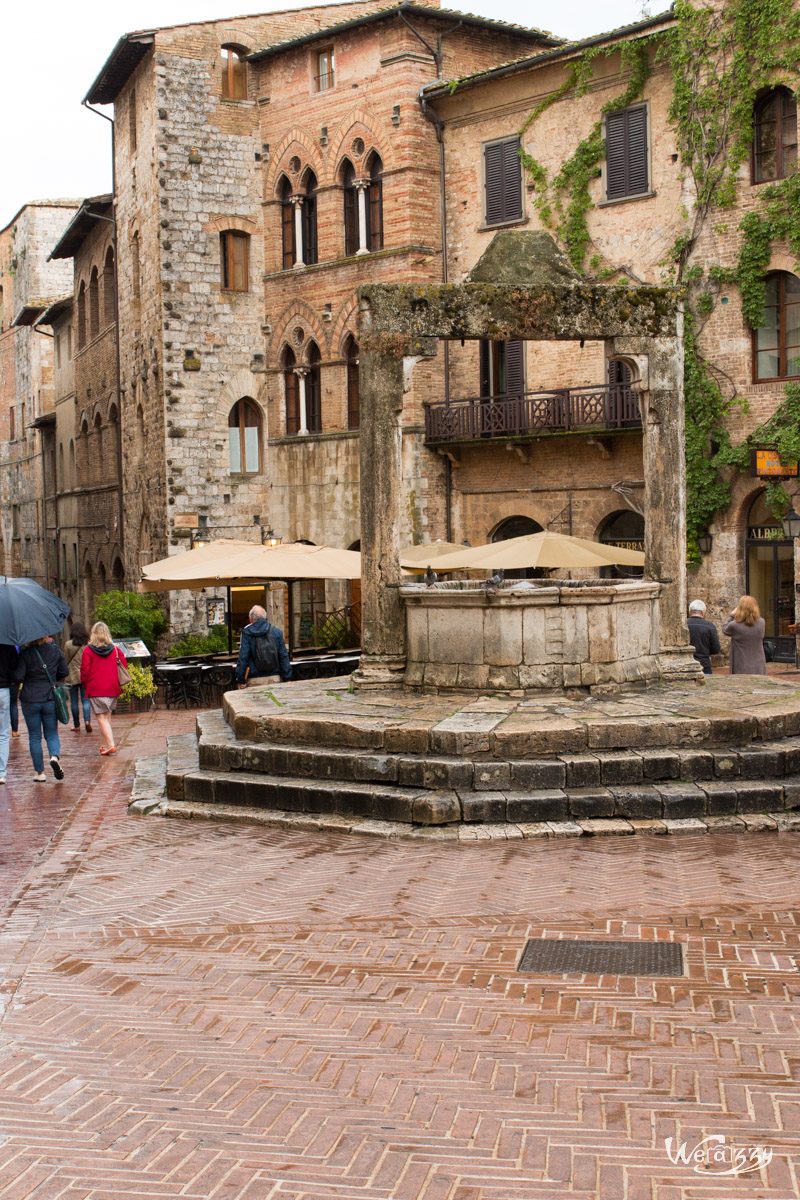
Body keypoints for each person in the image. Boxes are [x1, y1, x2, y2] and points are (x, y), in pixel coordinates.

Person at [14, 636, 68, 781]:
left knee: (34, 736)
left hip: (30, 699)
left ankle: (40, 773)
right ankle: (54, 757)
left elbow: (19, 675)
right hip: (49, 697)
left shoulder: (25, 652)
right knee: (51, 733)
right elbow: (64, 672)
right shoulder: (54, 650)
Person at [80, 621, 128, 754]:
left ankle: (111, 745)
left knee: (101, 718)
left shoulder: (88, 650)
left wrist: (85, 684)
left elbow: (84, 670)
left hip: (96, 688)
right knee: (106, 717)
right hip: (112, 688)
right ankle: (103, 745)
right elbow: (124, 664)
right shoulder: (115, 649)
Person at [236, 605, 292, 688]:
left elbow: (243, 656)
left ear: (251, 618)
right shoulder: (277, 632)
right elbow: (283, 656)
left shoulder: (246, 633)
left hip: (254, 680)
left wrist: (241, 679)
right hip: (275, 678)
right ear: (265, 617)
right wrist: (287, 678)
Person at [722, 595, 767, 675]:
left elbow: (725, 629)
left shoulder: (735, 625)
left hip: (741, 664)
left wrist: (731, 615)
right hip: (758, 664)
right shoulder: (762, 623)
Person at [65, 621, 92, 732]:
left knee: (74, 701)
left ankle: (76, 725)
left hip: (72, 675)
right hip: (85, 674)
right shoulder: (88, 644)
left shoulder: (68, 644)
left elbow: (66, 660)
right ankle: (87, 721)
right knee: (85, 700)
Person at [0, 644, 19, 784]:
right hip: (3, 690)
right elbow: (15, 671)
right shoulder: (8, 646)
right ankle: (1, 772)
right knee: (3, 733)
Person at [687, 599, 721, 675]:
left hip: (686, 664)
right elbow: (716, 649)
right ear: (704, 612)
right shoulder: (710, 626)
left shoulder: (683, 625)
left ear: (690, 611)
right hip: (704, 664)